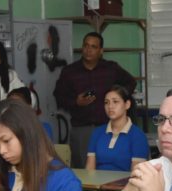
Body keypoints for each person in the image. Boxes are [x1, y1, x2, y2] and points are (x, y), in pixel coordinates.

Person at [54, 32, 136, 168]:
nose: (88, 50)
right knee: (83, 170)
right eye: (86, 45)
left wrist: (117, 99)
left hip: (108, 127)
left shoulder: (111, 68)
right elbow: (58, 96)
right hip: (82, 129)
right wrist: (76, 101)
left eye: (93, 46)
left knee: (110, 167)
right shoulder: (70, 71)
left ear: (101, 51)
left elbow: (130, 82)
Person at [85, 85, 149, 171]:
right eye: (106, 102)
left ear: (127, 104)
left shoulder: (138, 136)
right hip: (98, 184)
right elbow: (89, 169)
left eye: (115, 102)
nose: (110, 106)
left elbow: (137, 175)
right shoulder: (97, 133)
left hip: (126, 184)